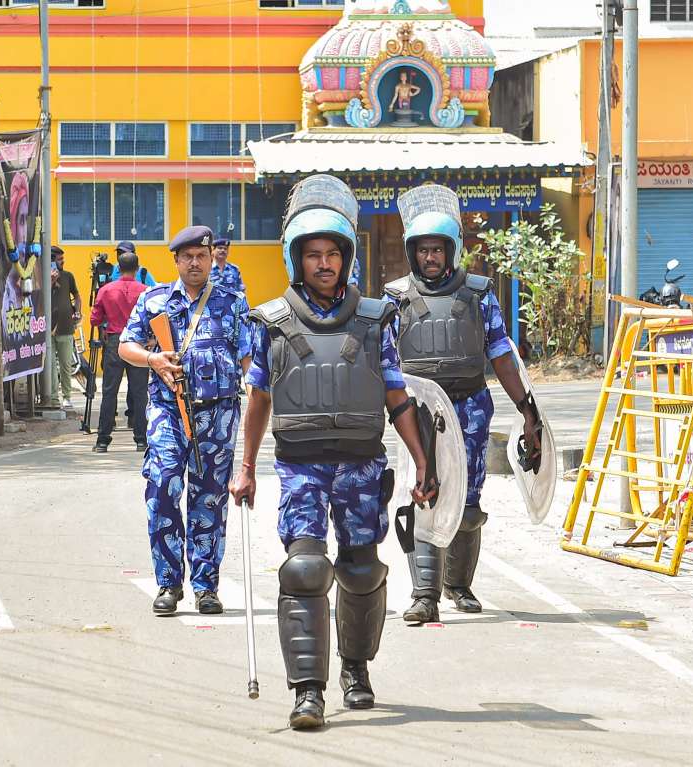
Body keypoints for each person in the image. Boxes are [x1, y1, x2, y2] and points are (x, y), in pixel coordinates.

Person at [230, 174, 436, 731]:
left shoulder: (375, 321)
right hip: (300, 464)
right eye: (313, 255)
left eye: (333, 255)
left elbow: (397, 395)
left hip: (363, 464)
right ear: (297, 260)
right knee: (303, 569)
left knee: (362, 568)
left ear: (346, 259)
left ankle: (356, 668)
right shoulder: (270, 323)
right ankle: (308, 691)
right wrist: (244, 467)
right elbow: (258, 399)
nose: (324, 264)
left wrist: (422, 460)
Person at [383, 183, 539, 624]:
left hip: (469, 405)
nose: (430, 258)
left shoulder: (479, 293)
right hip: (416, 412)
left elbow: (502, 354)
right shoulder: (395, 299)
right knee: (424, 494)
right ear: (413, 252)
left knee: (468, 502)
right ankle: (424, 594)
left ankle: (458, 584)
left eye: (438, 250)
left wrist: (526, 409)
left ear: (451, 251)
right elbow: (384, 363)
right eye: (422, 250)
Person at [119, 225, 252, 617]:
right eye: (187, 256)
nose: (195, 263)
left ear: (213, 258)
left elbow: (248, 358)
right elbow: (126, 344)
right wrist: (153, 359)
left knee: (208, 498)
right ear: (175, 260)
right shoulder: (154, 300)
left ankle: (206, 586)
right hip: (167, 411)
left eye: (202, 256)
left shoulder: (233, 302)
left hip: (218, 414)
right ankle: (168, 582)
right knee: (161, 487)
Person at [90, 249, 150, 453]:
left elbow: (95, 319)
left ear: (118, 267)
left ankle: (102, 440)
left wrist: (107, 325)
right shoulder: (145, 290)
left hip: (115, 341)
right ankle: (142, 439)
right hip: (138, 342)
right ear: (137, 268)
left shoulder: (106, 290)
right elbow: (153, 318)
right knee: (141, 393)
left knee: (109, 392)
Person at [49, 245, 82, 409]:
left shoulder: (68, 276)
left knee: (65, 365)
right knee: (49, 366)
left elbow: (76, 295)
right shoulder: (41, 276)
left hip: (65, 327)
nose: (63, 262)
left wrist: (77, 310)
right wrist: (51, 282)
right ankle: (53, 397)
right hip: (46, 329)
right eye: (59, 259)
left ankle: (67, 396)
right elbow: (37, 296)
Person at [209, 235, 247, 301]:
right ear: (213, 251)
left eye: (225, 249)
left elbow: (241, 290)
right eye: (220, 248)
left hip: (231, 308)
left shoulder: (234, 269)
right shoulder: (207, 268)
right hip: (211, 308)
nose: (223, 250)